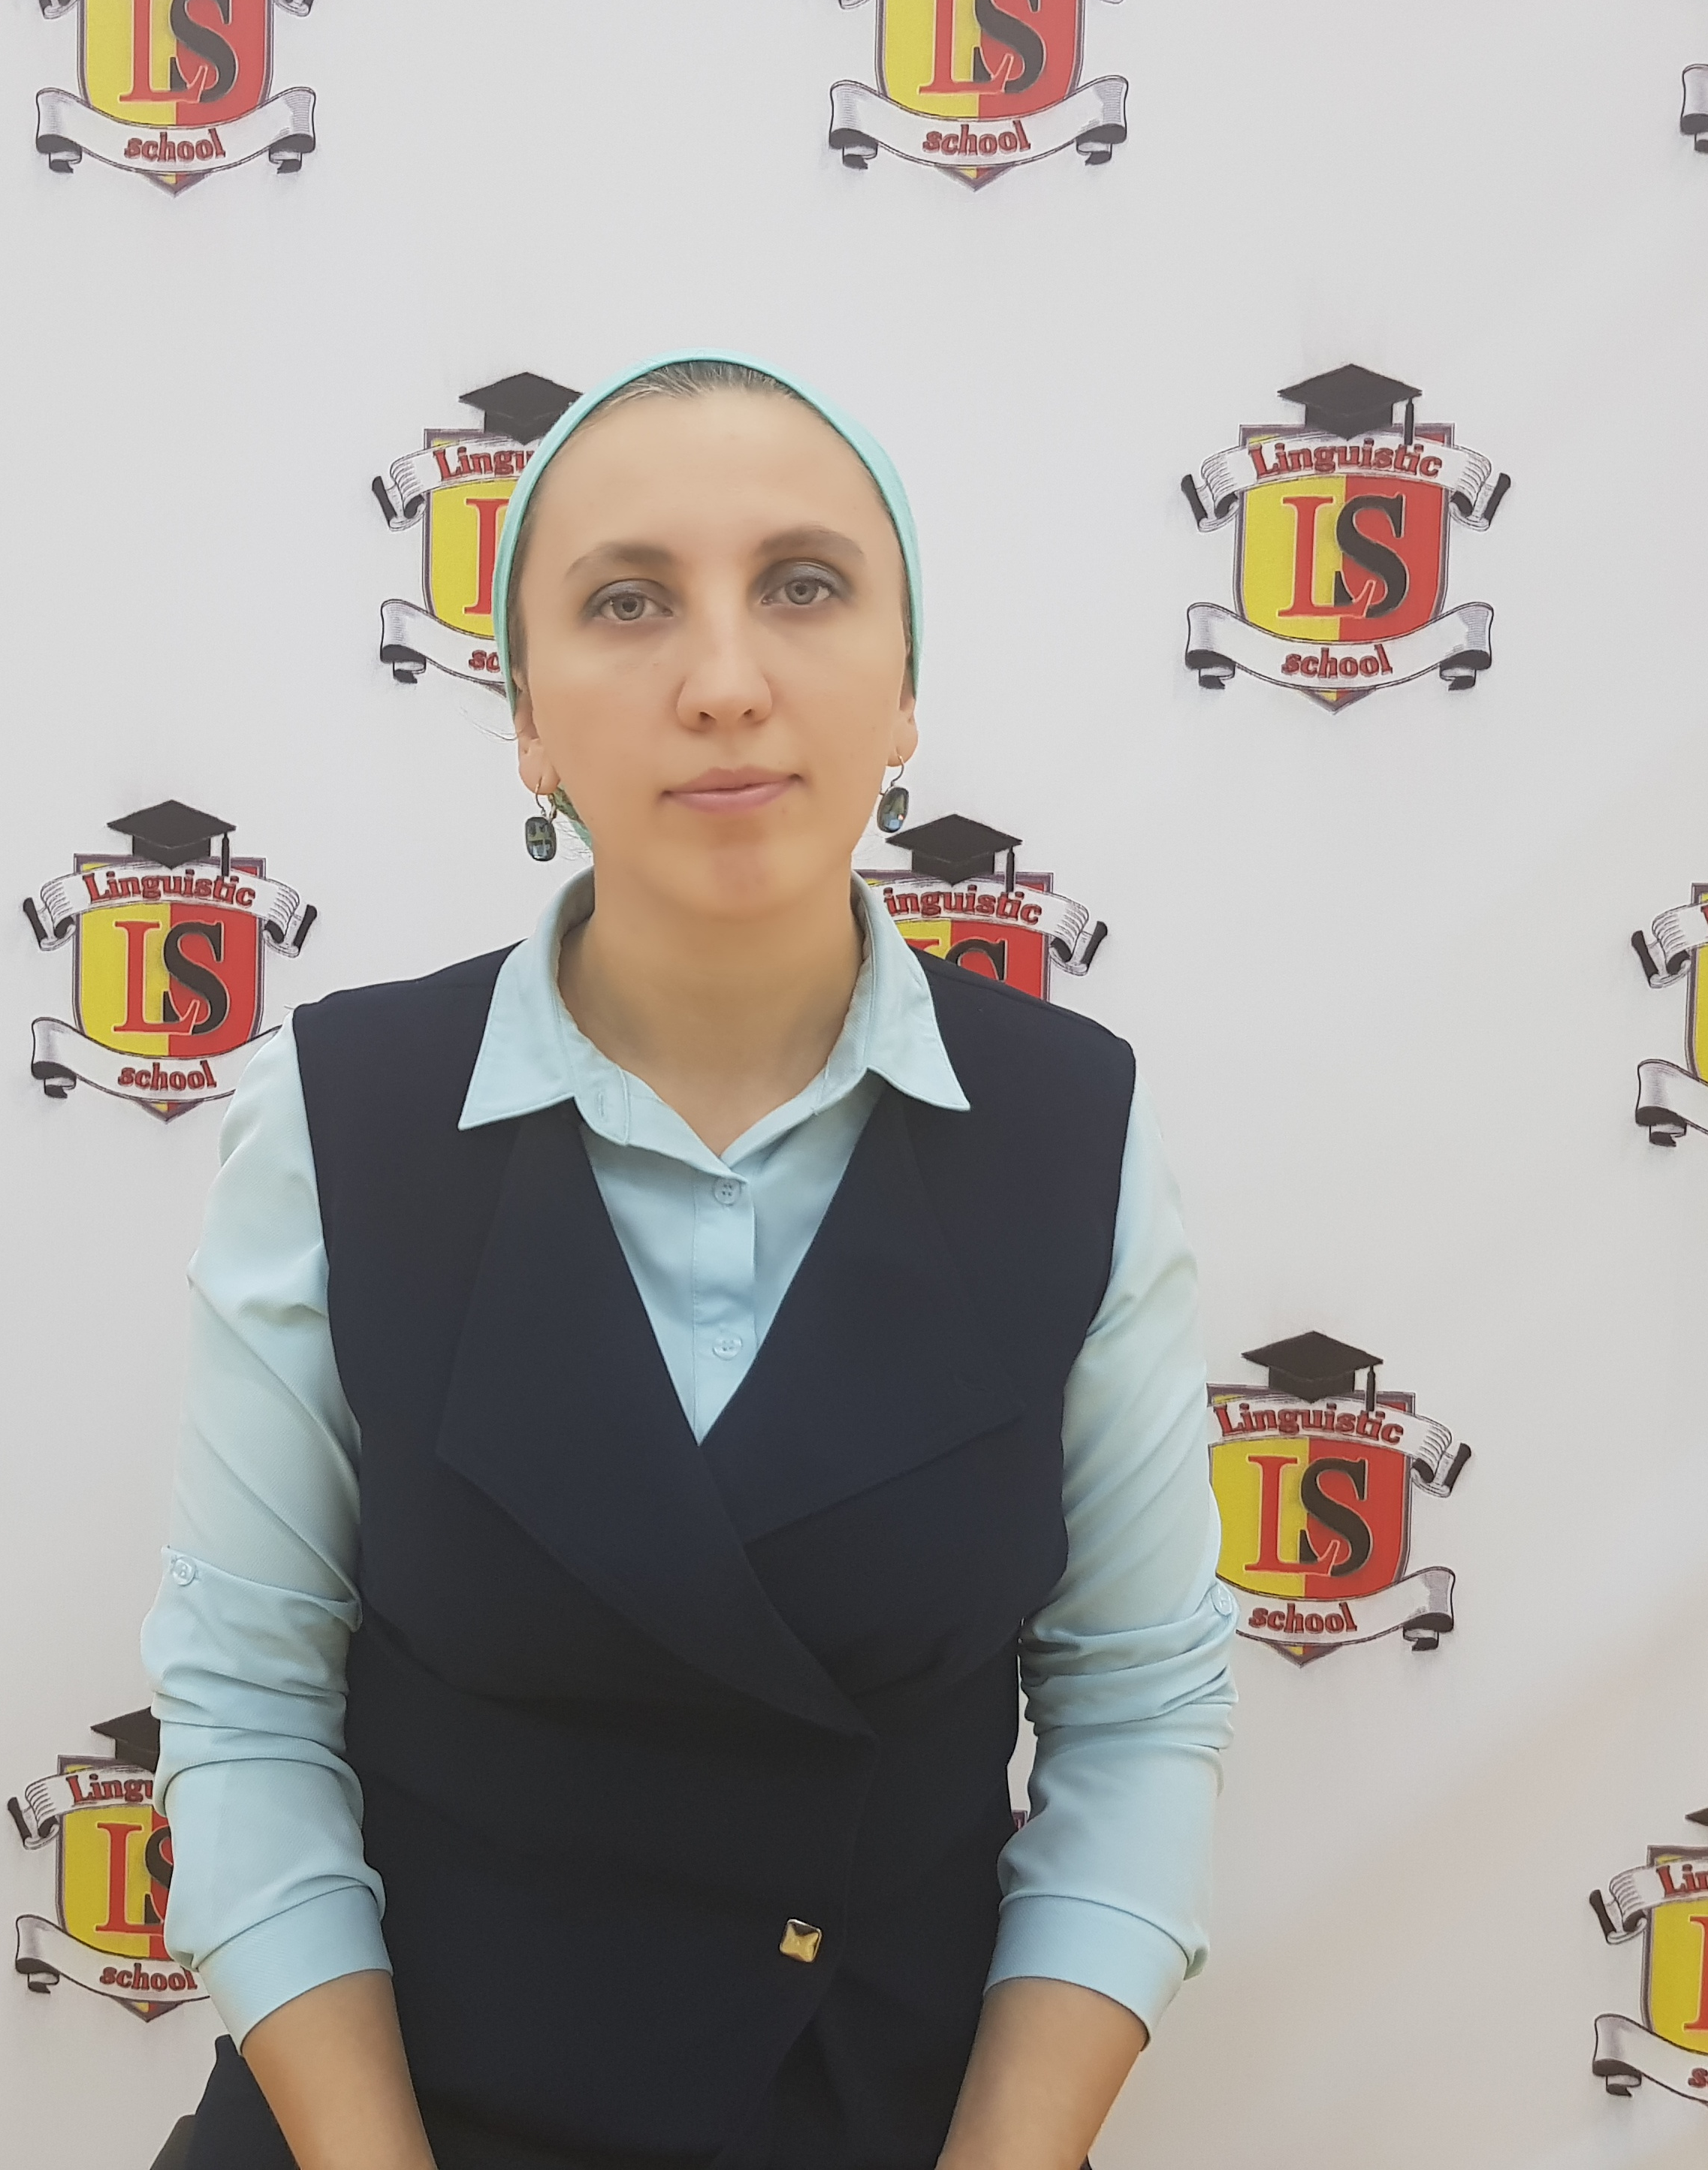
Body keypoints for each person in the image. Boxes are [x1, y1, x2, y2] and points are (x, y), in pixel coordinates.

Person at [144, 351, 1234, 2170]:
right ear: (528, 723)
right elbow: (247, 1706)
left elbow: (1136, 1713)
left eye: (802, 586)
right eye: (628, 602)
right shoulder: (339, 1123)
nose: (724, 681)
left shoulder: (1075, 1134)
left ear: (904, 692)